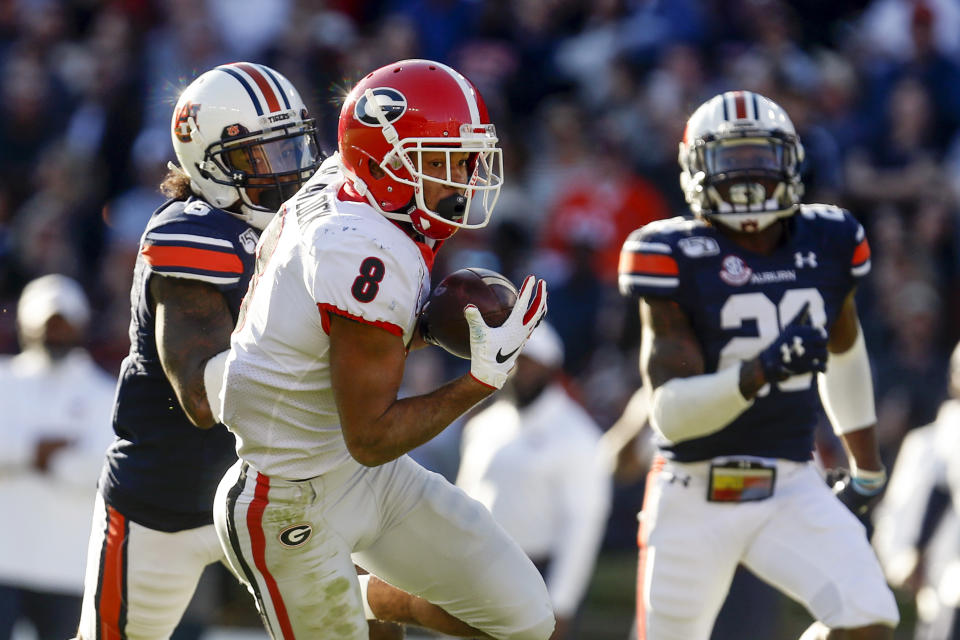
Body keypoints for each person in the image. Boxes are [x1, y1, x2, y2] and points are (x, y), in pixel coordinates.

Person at [210, 58, 554, 640]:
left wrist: (422, 328)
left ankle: (377, 599)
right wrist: (480, 380)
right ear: (387, 163)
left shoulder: (350, 186)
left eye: (467, 158)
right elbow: (370, 437)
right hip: (287, 498)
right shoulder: (358, 251)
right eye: (443, 160)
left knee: (526, 621)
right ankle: (335, 593)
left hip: (361, 476)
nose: (465, 177)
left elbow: (348, 348)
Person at [617, 90, 900, 640]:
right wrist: (759, 372)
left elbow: (844, 348)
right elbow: (670, 414)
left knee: (869, 619)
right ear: (697, 168)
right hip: (693, 488)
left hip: (790, 482)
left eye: (760, 158)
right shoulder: (669, 251)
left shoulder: (831, 238)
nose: (747, 175)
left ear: (790, 161)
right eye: (730, 159)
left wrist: (866, 467)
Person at [75, 62, 326, 639]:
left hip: (269, 498)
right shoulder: (191, 233)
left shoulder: (310, 226)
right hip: (166, 503)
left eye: (291, 148)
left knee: (354, 620)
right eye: (263, 157)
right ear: (208, 162)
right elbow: (203, 396)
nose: (288, 171)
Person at [456, 321, 612, 640]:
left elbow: (582, 526)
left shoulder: (577, 434)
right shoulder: (483, 424)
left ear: (550, 367)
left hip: (536, 579)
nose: (517, 369)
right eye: (510, 360)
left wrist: (561, 605)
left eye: (526, 361)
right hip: (476, 574)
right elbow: (460, 504)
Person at [0, 275, 116, 640]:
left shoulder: (104, 393)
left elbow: (104, 468)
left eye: (64, 324)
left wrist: (37, 458)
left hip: (68, 565)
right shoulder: (4, 380)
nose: (56, 333)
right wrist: (36, 451)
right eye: (48, 324)